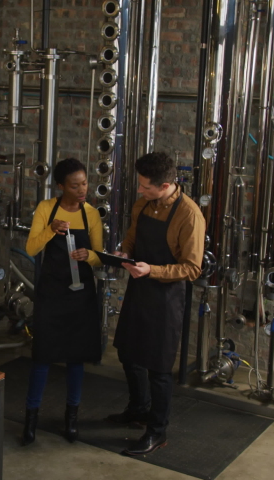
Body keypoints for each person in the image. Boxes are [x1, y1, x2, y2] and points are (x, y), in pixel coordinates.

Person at [108, 152, 205, 456]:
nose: (140, 191)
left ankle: (157, 431)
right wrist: (124, 253)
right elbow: (133, 237)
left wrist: (153, 270)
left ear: (165, 185)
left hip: (166, 298)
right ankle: (138, 410)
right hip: (139, 289)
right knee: (128, 352)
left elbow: (191, 268)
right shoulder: (143, 205)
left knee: (159, 369)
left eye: (145, 187)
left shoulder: (189, 215)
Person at [22, 157, 103, 445]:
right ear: (60, 186)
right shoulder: (46, 209)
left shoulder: (92, 214)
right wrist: (51, 229)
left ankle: (72, 420)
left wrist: (88, 256)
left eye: (84, 183)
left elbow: (99, 256)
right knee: (42, 356)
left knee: (75, 358)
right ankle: (30, 419)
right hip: (51, 294)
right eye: (75, 185)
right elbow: (31, 247)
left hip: (80, 297)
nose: (82, 189)